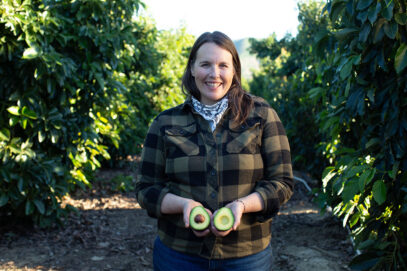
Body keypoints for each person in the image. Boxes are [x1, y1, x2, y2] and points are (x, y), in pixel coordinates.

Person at [135, 31, 293, 271]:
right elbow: (146, 189)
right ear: (192, 69)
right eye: (205, 64)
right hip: (179, 255)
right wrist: (184, 205)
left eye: (223, 65)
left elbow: (282, 182)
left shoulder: (261, 115)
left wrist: (241, 206)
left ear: (234, 71)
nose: (214, 74)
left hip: (246, 255)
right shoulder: (166, 122)